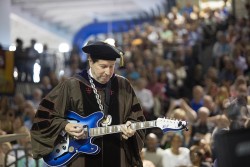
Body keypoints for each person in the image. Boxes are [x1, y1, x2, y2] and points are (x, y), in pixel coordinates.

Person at [30, 39, 145, 167]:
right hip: (81, 157)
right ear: (91, 61)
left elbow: (136, 117)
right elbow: (44, 115)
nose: (108, 72)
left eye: (112, 66)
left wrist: (132, 126)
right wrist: (65, 125)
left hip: (117, 153)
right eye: (103, 66)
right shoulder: (72, 86)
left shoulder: (123, 86)